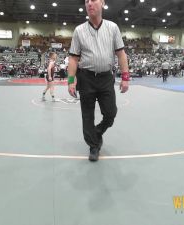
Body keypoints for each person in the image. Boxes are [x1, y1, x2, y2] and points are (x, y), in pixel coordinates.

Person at [67, 0, 130, 162]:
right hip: (86, 77)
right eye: (86, 1)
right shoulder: (79, 30)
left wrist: (125, 77)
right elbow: (73, 58)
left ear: (102, 3)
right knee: (87, 116)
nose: (89, 4)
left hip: (105, 77)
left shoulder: (112, 28)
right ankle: (94, 146)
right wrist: (71, 80)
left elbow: (121, 54)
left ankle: (97, 132)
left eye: (93, 0)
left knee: (111, 113)